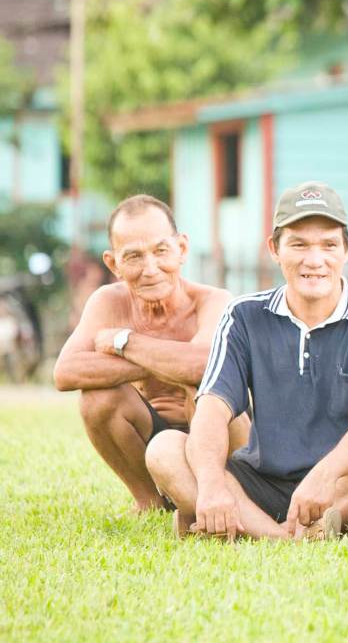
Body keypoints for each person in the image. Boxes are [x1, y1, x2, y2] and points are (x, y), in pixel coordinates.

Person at [144, 181, 348, 540]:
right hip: (259, 482)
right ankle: (286, 537)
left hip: (344, 482)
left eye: (328, 245)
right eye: (299, 244)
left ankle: (245, 528)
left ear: (346, 250)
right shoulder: (243, 315)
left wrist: (324, 477)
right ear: (275, 249)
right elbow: (213, 408)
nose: (315, 260)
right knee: (165, 450)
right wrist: (213, 486)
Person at [53, 195, 246, 512]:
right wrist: (157, 364)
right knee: (96, 398)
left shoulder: (214, 301)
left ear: (181, 249)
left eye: (161, 251)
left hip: (223, 436)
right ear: (113, 264)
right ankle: (150, 501)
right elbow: (66, 372)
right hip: (151, 430)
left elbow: (204, 367)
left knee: (202, 388)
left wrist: (125, 344)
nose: (151, 268)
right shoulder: (108, 302)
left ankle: (225, 492)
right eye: (133, 257)